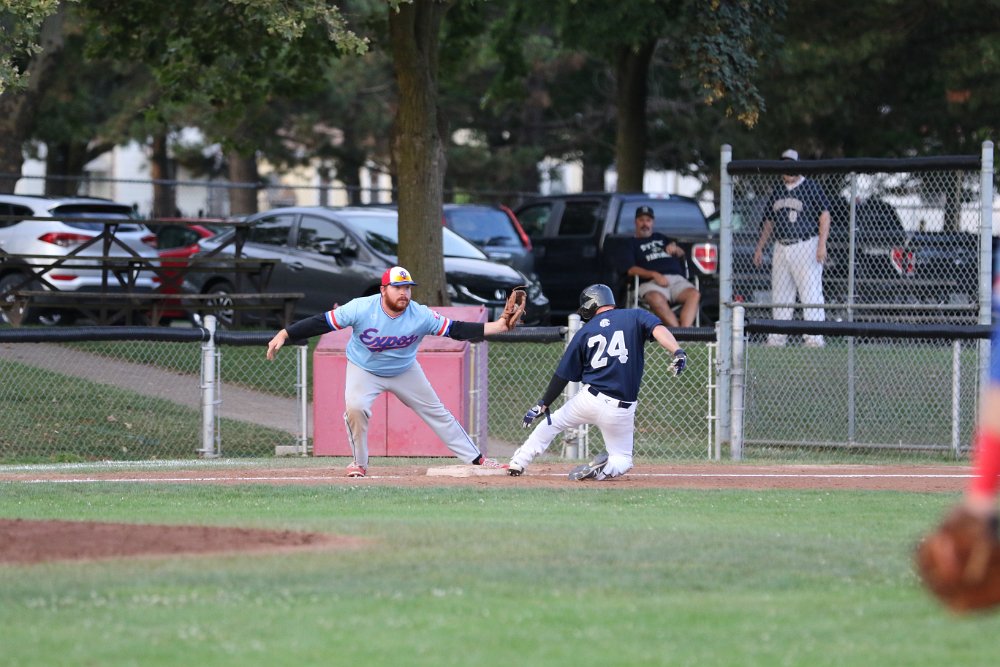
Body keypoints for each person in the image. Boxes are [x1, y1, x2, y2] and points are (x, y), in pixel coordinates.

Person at [266, 265, 516, 478]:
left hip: (404, 370)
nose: (404, 292)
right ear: (383, 290)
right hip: (364, 369)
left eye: (407, 287)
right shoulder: (360, 308)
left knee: (437, 412)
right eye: (398, 287)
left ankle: (477, 459)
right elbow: (322, 322)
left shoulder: (420, 314)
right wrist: (286, 333)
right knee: (356, 409)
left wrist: (498, 326)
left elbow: (456, 329)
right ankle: (359, 463)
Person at [507, 283, 687, 480]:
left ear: (592, 303)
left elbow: (562, 374)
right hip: (621, 409)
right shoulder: (635, 315)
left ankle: (519, 461)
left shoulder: (585, 331)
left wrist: (543, 404)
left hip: (590, 399)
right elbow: (658, 329)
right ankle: (603, 469)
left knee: (552, 423)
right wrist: (677, 351)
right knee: (623, 459)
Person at [752, 148, 831, 347]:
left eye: (791, 164)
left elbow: (825, 216)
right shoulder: (777, 190)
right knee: (780, 294)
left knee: (810, 293)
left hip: (806, 244)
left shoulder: (810, 187)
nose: (787, 169)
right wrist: (760, 247)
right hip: (781, 246)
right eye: (784, 165)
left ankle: (814, 339)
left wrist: (821, 245)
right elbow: (769, 221)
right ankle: (777, 338)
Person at [626, 205, 701, 328]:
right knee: (655, 298)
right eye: (641, 220)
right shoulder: (630, 243)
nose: (645, 224)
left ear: (653, 222)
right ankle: (679, 333)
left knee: (694, 294)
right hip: (651, 282)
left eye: (648, 220)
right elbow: (631, 270)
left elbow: (681, 253)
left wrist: (676, 249)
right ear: (636, 222)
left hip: (676, 280)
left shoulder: (661, 238)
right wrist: (654, 274)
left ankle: (685, 332)